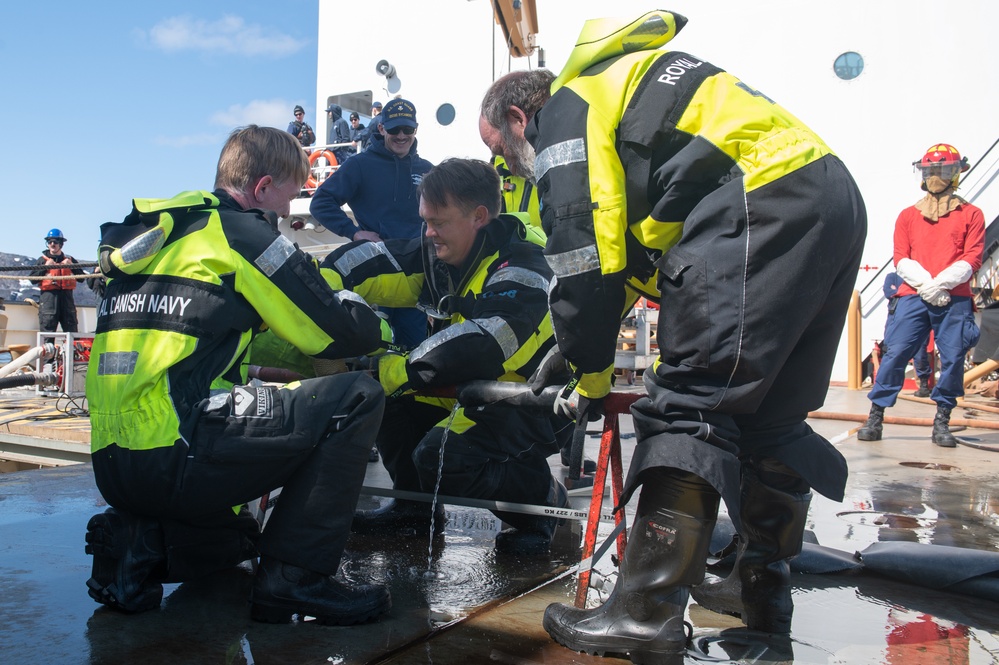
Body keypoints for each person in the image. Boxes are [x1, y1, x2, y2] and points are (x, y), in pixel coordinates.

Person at [480, 11, 867, 662]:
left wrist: (591, 375)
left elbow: (584, 255)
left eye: (501, 150)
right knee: (770, 419)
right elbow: (630, 248)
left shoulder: (565, 114)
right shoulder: (621, 94)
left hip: (755, 201)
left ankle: (643, 611)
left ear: (520, 119)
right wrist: (565, 343)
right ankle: (759, 597)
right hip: (824, 196)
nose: (509, 167)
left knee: (685, 406)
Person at [83, 125, 395, 625]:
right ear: (264, 187)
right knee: (356, 396)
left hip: (114, 465)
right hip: (178, 450)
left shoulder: (160, 236)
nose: (289, 212)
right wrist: (362, 308)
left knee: (242, 540)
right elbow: (335, 334)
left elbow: (178, 341)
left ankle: (139, 546)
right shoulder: (243, 234)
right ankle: (295, 580)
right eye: (291, 195)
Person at [320, 158, 572, 554]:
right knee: (387, 400)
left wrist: (394, 369)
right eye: (425, 221)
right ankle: (414, 511)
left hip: (536, 400)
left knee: (441, 457)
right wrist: (324, 290)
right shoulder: (441, 253)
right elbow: (366, 263)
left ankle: (542, 507)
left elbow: (485, 342)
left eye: (439, 222)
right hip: (474, 389)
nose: (429, 233)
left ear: (479, 216)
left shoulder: (524, 264)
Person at [858, 143, 984, 447]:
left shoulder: (972, 215)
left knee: (952, 360)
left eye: (942, 171)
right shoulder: (907, 216)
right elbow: (901, 257)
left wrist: (940, 285)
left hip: (953, 298)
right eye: (931, 171)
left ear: (956, 174)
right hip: (912, 295)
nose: (936, 177)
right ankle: (875, 418)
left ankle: (942, 422)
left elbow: (973, 257)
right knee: (895, 354)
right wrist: (928, 286)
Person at [311, 98, 434, 349]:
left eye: (407, 130)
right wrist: (355, 233)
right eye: (394, 129)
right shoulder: (360, 165)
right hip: (377, 271)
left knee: (415, 350)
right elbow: (320, 202)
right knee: (375, 346)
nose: (401, 136)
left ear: (415, 130)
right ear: (381, 129)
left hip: (418, 274)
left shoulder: (428, 169)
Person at [882, 272, 934, 397]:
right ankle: (889, 385)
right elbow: (888, 291)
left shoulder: (921, 276)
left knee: (920, 354)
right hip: (895, 319)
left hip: (917, 321)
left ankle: (923, 385)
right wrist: (909, 295)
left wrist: (900, 293)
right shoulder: (892, 276)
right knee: (891, 351)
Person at [31, 228, 85, 335]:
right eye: (49, 242)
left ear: (60, 244)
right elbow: (32, 279)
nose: (52, 244)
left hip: (67, 302)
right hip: (48, 302)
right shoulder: (42, 260)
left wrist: (72, 266)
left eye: (55, 242)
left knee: (72, 333)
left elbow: (82, 278)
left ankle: (71, 352)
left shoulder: (69, 259)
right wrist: (45, 267)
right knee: (47, 334)